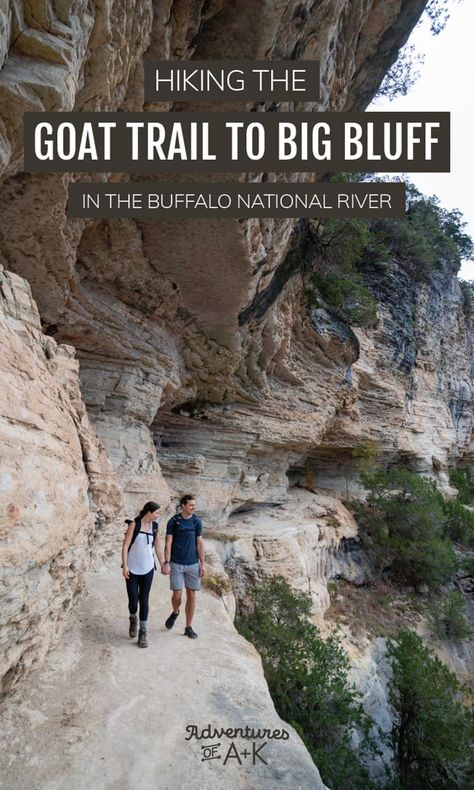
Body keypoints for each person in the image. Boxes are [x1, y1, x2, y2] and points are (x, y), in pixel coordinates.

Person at [122, 501, 165, 648]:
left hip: (147, 569)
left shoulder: (155, 527)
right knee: (133, 600)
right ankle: (133, 618)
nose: (158, 515)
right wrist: (125, 565)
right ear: (149, 512)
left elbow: (158, 547)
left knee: (144, 599)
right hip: (132, 569)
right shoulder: (134, 524)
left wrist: (164, 563)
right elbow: (125, 545)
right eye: (157, 513)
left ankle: (143, 632)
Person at [162, 495, 206, 639]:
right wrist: (166, 562)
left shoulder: (196, 522)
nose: (194, 507)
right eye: (191, 505)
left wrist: (203, 564)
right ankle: (175, 612)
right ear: (183, 505)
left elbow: (199, 543)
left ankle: (188, 627)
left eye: (194, 505)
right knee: (177, 595)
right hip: (176, 563)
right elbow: (168, 543)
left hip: (193, 563)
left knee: (192, 595)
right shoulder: (174, 521)